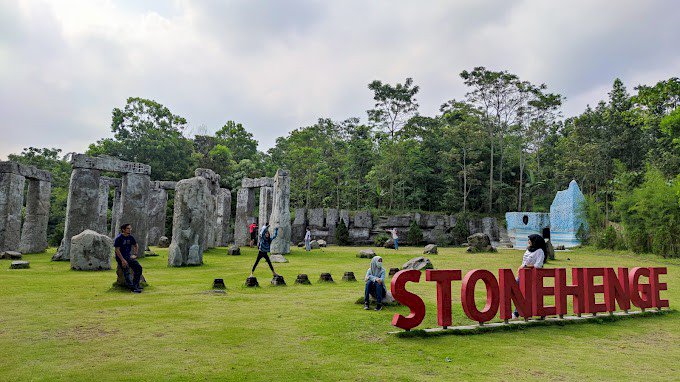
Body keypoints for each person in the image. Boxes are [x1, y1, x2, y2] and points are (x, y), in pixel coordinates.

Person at [513, 234, 546, 318]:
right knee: (516, 290)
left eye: (530, 240)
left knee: (522, 292)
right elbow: (524, 262)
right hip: (523, 274)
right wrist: (521, 268)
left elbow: (538, 265)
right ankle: (519, 312)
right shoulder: (528, 250)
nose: (528, 241)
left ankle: (516, 313)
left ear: (535, 241)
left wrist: (525, 267)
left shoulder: (539, 251)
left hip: (532, 276)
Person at [114, 223, 143, 293]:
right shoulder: (119, 238)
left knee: (139, 268)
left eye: (130, 228)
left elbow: (136, 245)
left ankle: (136, 285)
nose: (130, 230)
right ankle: (132, 288)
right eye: (128, 228)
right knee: (126, 271)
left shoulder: (130, 237)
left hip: (128, 256)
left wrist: (135, 254)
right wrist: (122, 260)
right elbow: (117, 250)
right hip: (121, 257)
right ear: (123, 230)